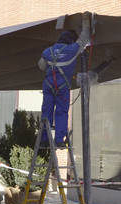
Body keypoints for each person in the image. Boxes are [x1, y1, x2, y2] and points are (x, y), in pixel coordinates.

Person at [37, 14, 90, 147]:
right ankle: (59, 140)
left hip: (48, 86)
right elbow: (84, 39)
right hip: (62, 88)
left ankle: (44, 139)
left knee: (47, 111)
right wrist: (86, 23)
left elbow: (41, 66)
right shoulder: (72, 50)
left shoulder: (48, 51)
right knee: (61, 112)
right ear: (70, 41)